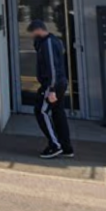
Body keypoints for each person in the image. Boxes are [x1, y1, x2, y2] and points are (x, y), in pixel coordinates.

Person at [28, 18, 74, 159]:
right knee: (58, 113)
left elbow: (52, 68)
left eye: (33, 32)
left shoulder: (47, 43)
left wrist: (51, 89)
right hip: (60, 82)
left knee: (41, 111)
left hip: (52, 84)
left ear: (38, 30)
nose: (32, 35)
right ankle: (67, 147)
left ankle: (55, 145)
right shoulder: (55, 41)